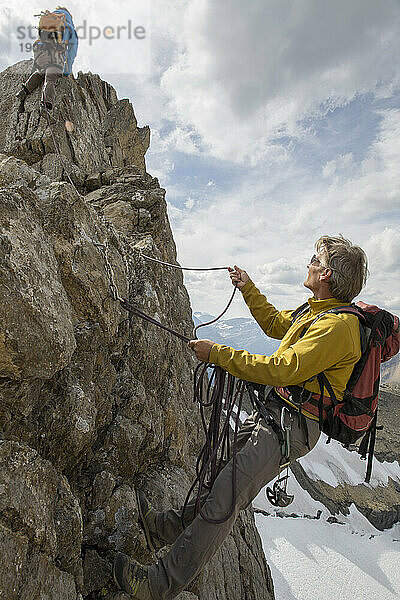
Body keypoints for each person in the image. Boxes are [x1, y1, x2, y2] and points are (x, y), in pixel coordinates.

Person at [113, 235, 369, 599]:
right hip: (276, 416)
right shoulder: (318, 312)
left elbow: (283, 369)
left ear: (326, 273)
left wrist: (218, 354)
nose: (308, 263)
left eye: (315, 259)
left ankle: (160, 584)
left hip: (290, 426)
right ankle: (164, 530)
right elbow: (276, 325)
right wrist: (249, 288)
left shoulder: (337, 328)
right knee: (220, 475)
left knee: (225, 498)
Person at [16, 7, 78, 112]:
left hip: (41, 55)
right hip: (55, 58)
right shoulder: (69, 27)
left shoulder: (49, 21)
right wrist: (67, 71)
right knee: (50, 78)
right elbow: (72, 51)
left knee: (40, 73)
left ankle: (24, 91)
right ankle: (46, 106)